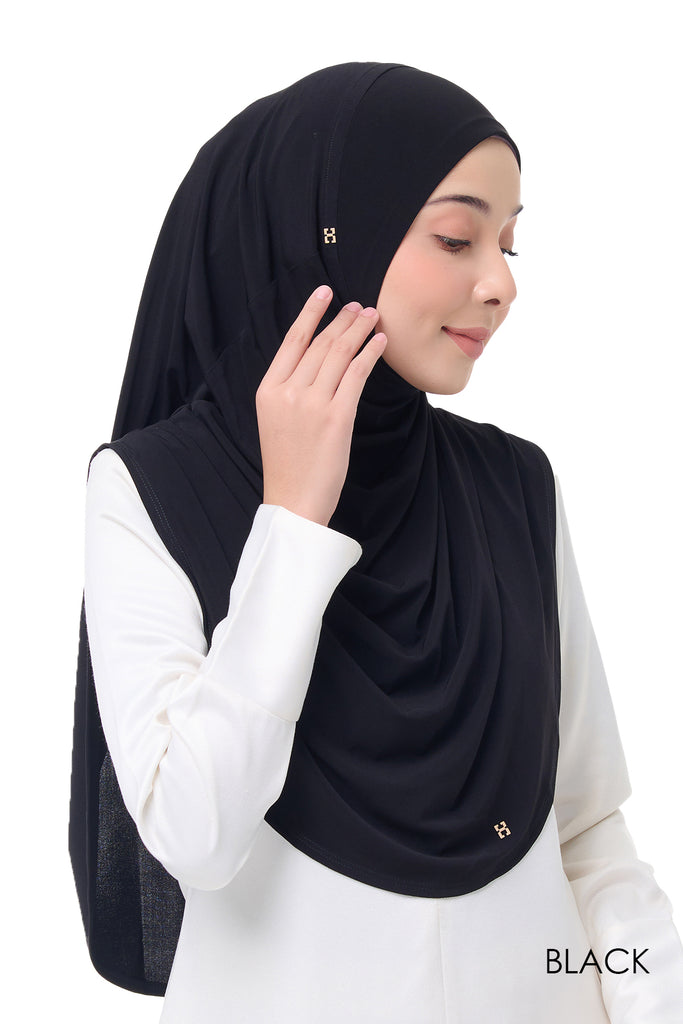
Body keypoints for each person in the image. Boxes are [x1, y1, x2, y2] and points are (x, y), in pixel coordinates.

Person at [68, 61, 683, 1022]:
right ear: (329, 232)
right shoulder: (151, 490)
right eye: (456, 237)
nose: (500, 284)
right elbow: (197, 835)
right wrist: (291, 522)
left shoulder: (514, 486)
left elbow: (586, 831)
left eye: (509, 244)